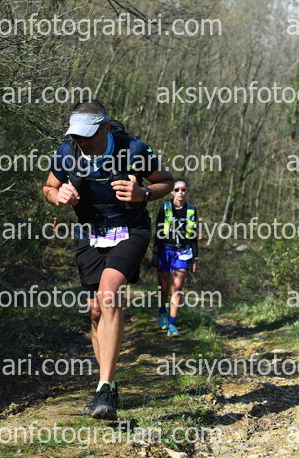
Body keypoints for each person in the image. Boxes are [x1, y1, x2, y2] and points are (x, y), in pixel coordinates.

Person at [42, 100, 173, 419]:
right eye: (76, 135)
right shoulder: (66, 153)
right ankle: (108, 386)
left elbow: (167, 182)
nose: (81, 141)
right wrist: (57, 197)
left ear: (106, 128)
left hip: (130, 230)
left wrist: (144, 194)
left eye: (88, 135)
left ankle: (104, 389)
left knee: (109, 293)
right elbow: (48, 187)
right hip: (90, 233)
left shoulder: (134, 149)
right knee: (95, 311)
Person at [151, 179, 199, 337]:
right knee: (164, 287)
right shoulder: (165, 208)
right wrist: (155, 256)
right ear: (172, 191)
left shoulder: (191, 210)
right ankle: (161, 313)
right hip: (165, 250)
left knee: (177, 288)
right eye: (177, 189)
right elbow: (157, 233)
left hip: (183, 252)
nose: (180, 192)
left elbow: (193, 236)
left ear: (187, 191)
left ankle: (172, 324)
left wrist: (195, 257)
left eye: (183, 189)